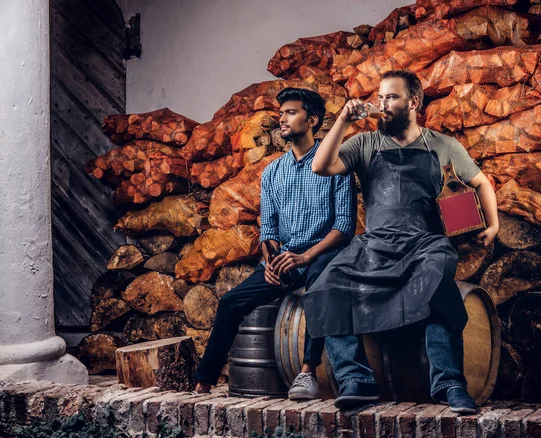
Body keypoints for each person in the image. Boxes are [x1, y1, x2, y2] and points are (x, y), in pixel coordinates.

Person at [305, 70, 499, 413]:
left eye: (391, 97)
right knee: (326, 286)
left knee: (439, 282)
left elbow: (482, 182)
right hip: (376, 244)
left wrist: (494, 224)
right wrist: (343, 120)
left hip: (425, 243)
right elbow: (320, 166)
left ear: (414, 102)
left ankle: (450, 383)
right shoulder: (364, 143)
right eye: (380, 98)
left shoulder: (442, 145)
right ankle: (355, 378)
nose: (383, 104)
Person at [193, 87, 356, 401]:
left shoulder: (336, 163)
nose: (282, 119)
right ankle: (204, 381)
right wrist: (270, 261)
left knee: (318, 291)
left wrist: (304, 257)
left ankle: (307, 373)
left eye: (290, 113)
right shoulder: (272, 172)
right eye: (281, 113)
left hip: (324, 255)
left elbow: (344, 227)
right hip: (283, 259)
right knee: (230, 303)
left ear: (312, 120)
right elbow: (268, 229)